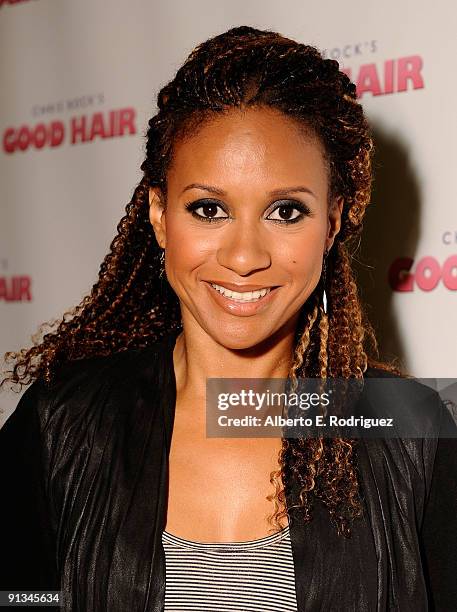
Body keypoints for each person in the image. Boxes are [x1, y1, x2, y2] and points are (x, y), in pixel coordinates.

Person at [1, 25, 456, 612]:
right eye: (208, 208)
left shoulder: (413, 428)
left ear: (333, 223)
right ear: (161, 217)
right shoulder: (62, 424)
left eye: (286, 210)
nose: (244, 258)